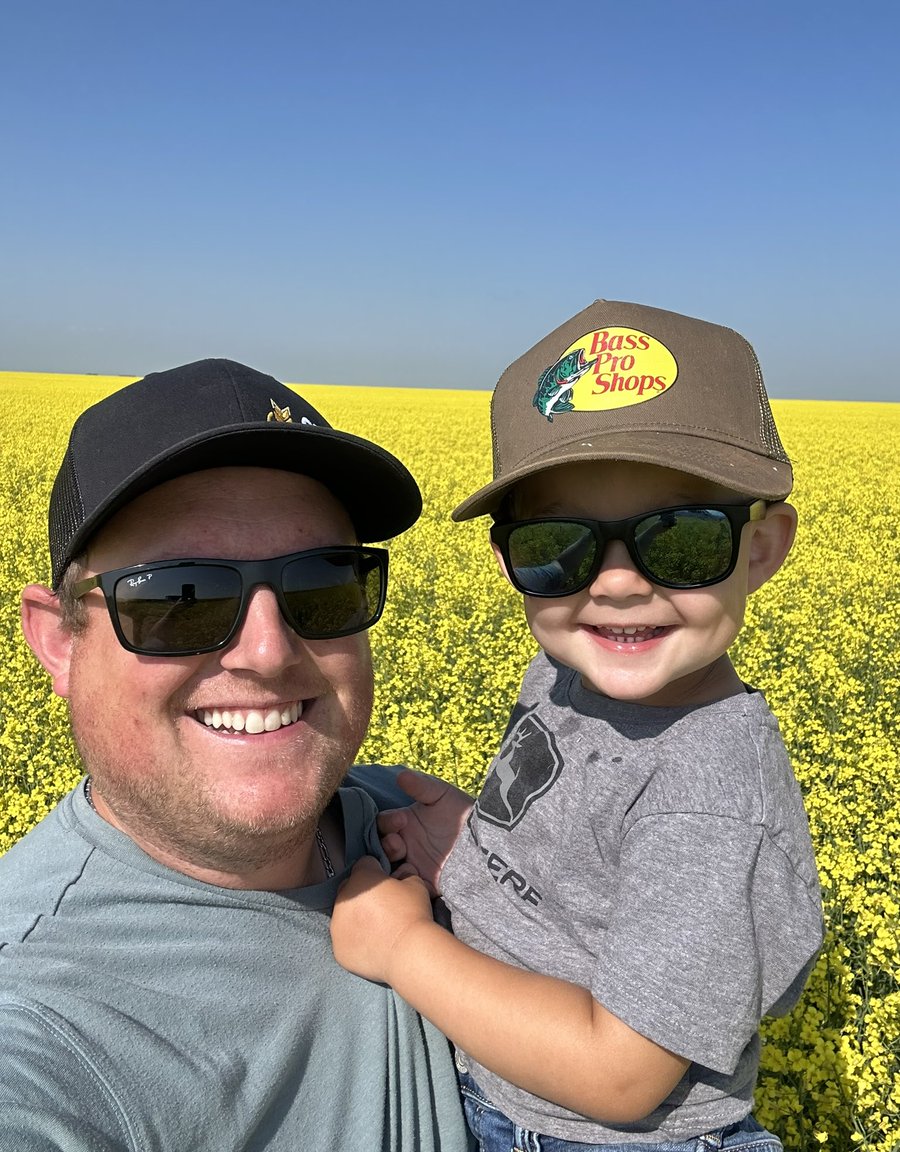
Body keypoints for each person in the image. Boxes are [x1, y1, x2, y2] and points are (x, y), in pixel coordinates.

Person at [330, 300, 825, 1150]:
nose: (618, 584)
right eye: (559, 546)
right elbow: (581, 838)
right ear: (510, 563)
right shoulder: (572, 671)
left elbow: (619, 1075)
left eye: (678, 541)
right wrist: (481, 848)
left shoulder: (706, 803)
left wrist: (405, 949)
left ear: (763, 548)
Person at [0, 358, 471, 1151]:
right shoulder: (40, 1020)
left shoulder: (427, 829)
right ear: (59, 643)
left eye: (322, 584)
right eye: (180, 598)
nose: (267, 650)